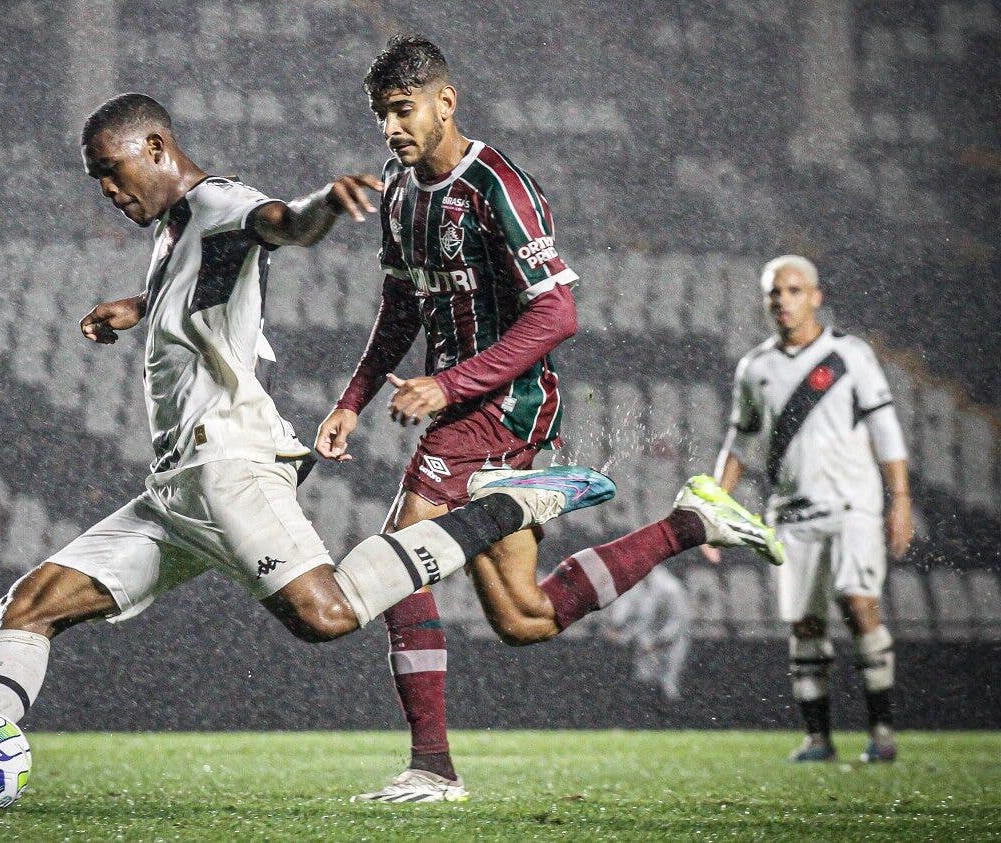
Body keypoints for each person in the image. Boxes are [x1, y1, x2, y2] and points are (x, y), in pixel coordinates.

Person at [0, 92, 616, 807]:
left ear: (154, 147)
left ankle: (512, 504)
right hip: (174, 489)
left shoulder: (219, 201)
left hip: (228, 469)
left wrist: (322, 208)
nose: (108, 194)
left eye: (112, 174)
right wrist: (139, 308)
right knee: (29, 604)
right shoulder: (176, 228)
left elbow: (276, 222)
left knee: (326, 615)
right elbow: (200, 289)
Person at [314, 36, 786, 804]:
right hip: (465, 406)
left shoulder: (499, 184)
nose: (393, 128)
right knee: (525, 616)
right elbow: (401, 309)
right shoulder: (401, 195)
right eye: (381, 115)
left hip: (502, 405)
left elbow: (558, 311)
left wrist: (447, 384)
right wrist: (350, 400)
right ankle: (688, 524)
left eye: (403, 110)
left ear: (446, 101)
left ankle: (432, 767)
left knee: (403, 551)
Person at [704, 254, 912, 763]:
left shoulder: (850, 355)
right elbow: (741, 439)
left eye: (794, 290)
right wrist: (714, 507)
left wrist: (899, 499)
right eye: (775, 292)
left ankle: (881, 733)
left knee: (858, 602)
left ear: (815, 296)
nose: (784, 300)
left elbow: (885, 428)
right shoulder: (756, 367)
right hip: (792, 512)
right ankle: (819, 739)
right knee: (804, 624)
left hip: (852, 505)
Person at [604, 566, 691, 702]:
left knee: (668, 686)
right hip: (647, 645)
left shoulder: (671, 588)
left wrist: (658, 643)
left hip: (672, 645)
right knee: (644, 683)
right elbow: (641, 622)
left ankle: (673, 716)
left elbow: (678, 622)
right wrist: (622, 637)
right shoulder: (642, 588)